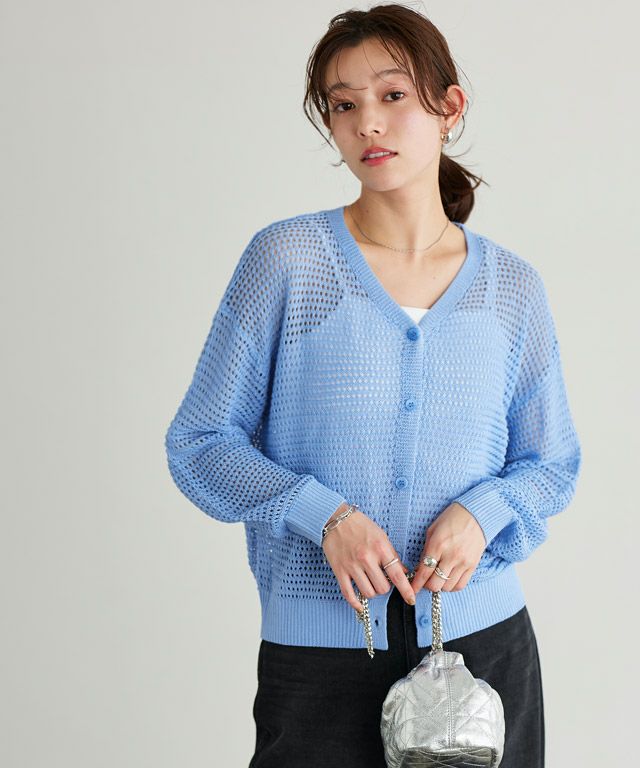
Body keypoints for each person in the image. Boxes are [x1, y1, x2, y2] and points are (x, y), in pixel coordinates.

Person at [164, 4, 581, 767]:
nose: (369, 124)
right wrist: (323, 516)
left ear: (450, 106)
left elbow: (552, 464)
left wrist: (483, 514)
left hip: (484, 651)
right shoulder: (289, 262)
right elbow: (200, 443)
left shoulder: (511, 289)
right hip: (322, 660)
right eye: (344, 104)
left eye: (393, 96)